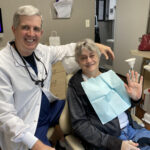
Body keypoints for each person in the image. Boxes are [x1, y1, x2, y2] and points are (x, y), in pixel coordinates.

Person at [0, 5, 114, 150]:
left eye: (36, 29)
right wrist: (38, 145)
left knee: (81, 110)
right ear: (14, 29)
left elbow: (67, 48)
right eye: (25, 27)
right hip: (27, 122)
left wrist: (95, 45)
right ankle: (54, 141)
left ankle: (61, 139)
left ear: (41, 32)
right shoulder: (2, 64)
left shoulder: (42, 50)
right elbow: (6, 116)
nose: (31, 34)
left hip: (48, 107)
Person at [67, 38, 150, 150]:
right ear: (78, 61)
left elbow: (125, 105)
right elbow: (80, 125)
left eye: (92, 55)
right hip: (108, 140)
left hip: (131, 128)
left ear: (98, 56)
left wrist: (135, 98)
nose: (89, 60)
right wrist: (116, 144)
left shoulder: (109, 75)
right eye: (83, 58)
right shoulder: (75, 86)